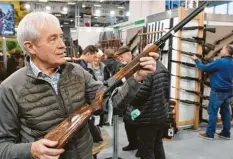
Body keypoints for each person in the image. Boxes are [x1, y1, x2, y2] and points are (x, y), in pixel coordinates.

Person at [0, 12, 158, 159]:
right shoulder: (10, 88)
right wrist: (31, 150)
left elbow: (113, 105)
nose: (62, 45)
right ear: (30, 47)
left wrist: (136, 77)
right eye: (52, 39)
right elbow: (3, 146)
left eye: (61, 37)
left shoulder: (77, 72)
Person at [116, 46, 169, 159]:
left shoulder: (147, 72)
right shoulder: (163, 68)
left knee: (146, 151)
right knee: (157, 146)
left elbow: (138, 98)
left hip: (147, 118)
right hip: (160, 115)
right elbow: (166, 93)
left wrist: (128, 88)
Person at [192, 45, 233, 140]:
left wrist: (196, 60)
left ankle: (210, 134)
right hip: (229, 91)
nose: (221, 50)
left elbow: (203, 68)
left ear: (226, 52)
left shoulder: (219, 62)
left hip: (218, 91)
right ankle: (226, 133)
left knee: (212, 112)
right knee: (225, 112)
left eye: (222, 49)